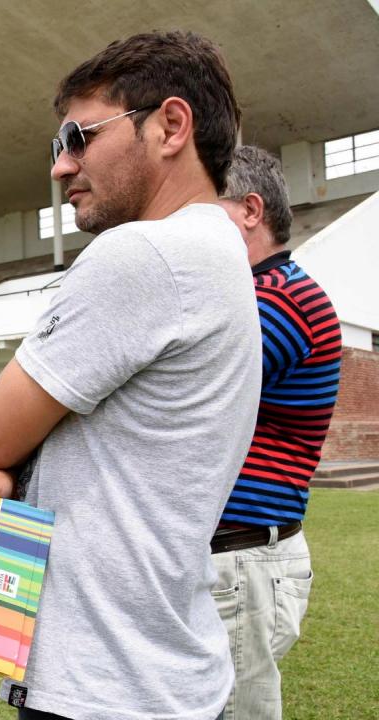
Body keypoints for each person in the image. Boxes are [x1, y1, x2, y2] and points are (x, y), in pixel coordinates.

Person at [0, 32, 260, 719]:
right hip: (162, 669)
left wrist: (3, 465)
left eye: (80, 137)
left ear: (171, 126)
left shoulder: (144, 255)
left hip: (106, 684)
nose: (61, 166)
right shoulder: (217, 250)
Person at [210, 144, 340, 719]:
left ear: (249, 210)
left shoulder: (279, 299)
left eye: (206, 209)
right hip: (236, 558)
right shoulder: (259, 295)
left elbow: (186, 389)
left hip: (242, 558)